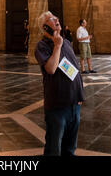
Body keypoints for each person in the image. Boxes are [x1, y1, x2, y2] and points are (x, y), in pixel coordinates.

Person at [35, 11, 84, 156]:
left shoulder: (67, 42)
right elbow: (50, 69)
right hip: (57, 106)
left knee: (70, 148)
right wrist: (57, 46)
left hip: (74, 104)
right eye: (51, 19)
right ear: (45, 28)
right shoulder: (42, 46)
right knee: (54, 148)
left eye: (55, 16)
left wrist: (80, 94)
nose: (56, 19)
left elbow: (74, 70)